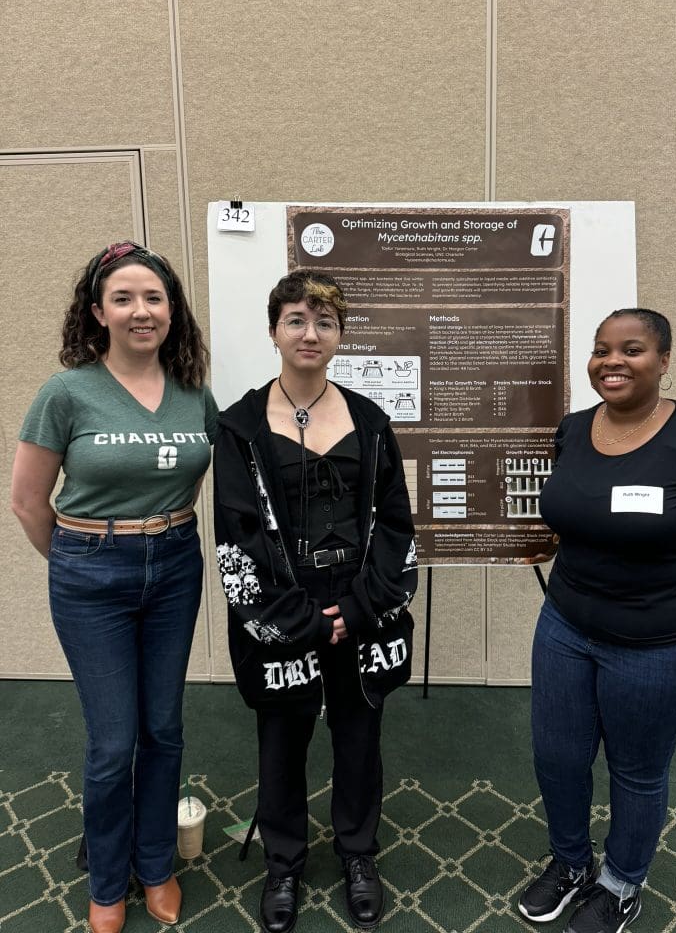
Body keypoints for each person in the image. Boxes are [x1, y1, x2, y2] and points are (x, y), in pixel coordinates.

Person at [518, 308, 676, 933]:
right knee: (558, 756)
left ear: (663, 360)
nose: (612, 361)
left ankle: (621, 881)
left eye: (632, 349)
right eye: (602, 349)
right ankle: (571, 863)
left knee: (636, 768)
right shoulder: (574, 430)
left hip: (664, 644)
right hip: (567, 627)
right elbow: (577, 511)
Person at [11, 241, 217, 933]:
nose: (140, 310)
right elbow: (28, 501)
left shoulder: (194, 391)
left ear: (171, 310)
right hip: (90, 573)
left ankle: (155, 865)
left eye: (154, 297)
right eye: (123, 298)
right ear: (97, 311)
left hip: (176, 564)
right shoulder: (66, 392)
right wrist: (77, 560)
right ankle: (107, 881)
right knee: (112, 742)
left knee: (163, 728)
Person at [213, 269, 417, 933]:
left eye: (324, 322)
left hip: (359, 602)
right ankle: (284, 862)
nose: (310, 332)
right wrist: (295, 619)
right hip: (280, 608)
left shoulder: (370, 420)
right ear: (274, 330)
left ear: (340, 336)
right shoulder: (239, 427)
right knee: (282, 733)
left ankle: (359, 853)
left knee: (360, 734)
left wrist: (360, 609)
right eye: (296, 319)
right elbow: (236, 536)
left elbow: (394, 524)